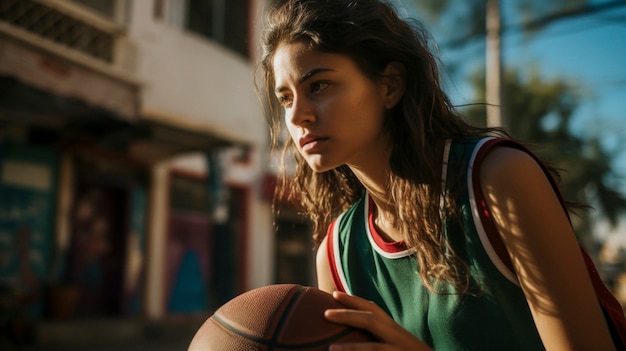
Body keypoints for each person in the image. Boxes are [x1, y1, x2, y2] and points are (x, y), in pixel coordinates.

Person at [258, 0, 623, 350]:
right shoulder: (337, 254)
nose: (297, 117)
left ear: (390, 85)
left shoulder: (497, 178)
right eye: (286, 98)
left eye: (318, 86)